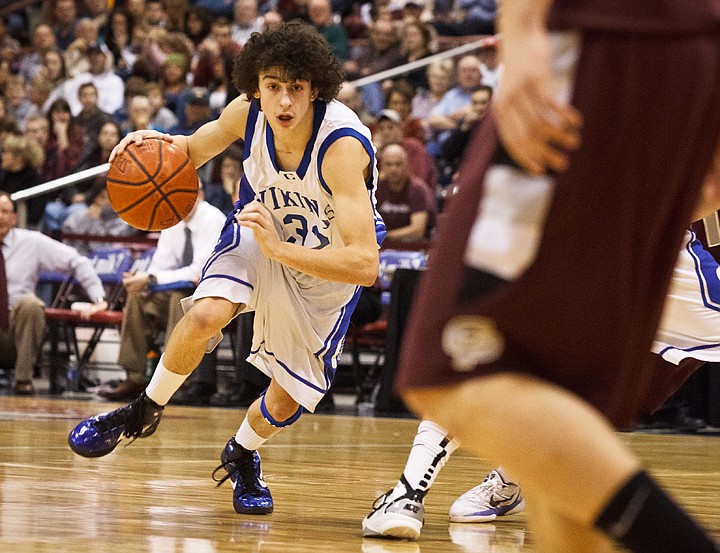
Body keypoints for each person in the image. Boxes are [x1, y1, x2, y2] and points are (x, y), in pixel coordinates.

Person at [390, 2, 720, 553]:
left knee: (450, 364)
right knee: (554, 384)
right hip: (669, 47)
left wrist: (520, 30)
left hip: (603, 44)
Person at [68, 22, 384, 517]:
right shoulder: (246, 113)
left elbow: (365, 264)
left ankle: (241, 453)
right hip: (260, 231)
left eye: (295, 88)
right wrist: (145, 144)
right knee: (205, 313)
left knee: (283, 402)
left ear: (314, 88)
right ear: (255, 86)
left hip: (327, 264)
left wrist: (282, 251)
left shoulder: (341, 146)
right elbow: (190, 151)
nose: (283, 102)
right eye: (273, 87)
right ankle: (143, 409)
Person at [363, 227, 720, 538]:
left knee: (567, 384)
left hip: (635, 244)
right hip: (591, 238)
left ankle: (432, 490)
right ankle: (414, 492)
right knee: (505, 365)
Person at [99, 188, 226, 401]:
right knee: (138, 296)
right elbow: (161, 265)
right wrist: (143, 278)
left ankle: (176, 379)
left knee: (180, 298)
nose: (178, 200)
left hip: (213, 293)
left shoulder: (213, 219)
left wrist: (152, 279)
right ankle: (135, 377)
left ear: (200, 195)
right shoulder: (172, 220)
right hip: (177, 288)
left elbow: (199, 271)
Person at [0, 192, 107, 395]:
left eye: (5, 212)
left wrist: (99, 299)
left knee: (31, 304)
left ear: (14, 218)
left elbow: (77, 261)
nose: (0, 217)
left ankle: (23, 379)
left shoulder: (31, 242)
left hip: (14, 331)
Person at [375, 143, 434, 241]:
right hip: (383, 248)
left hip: (415, 248)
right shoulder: (377, 189)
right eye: (388, 164)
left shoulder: (418, 189)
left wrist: (385, 236)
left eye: (398, 164)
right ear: (382, 166)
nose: (393, 169)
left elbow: (418, 231)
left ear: (406, 165)